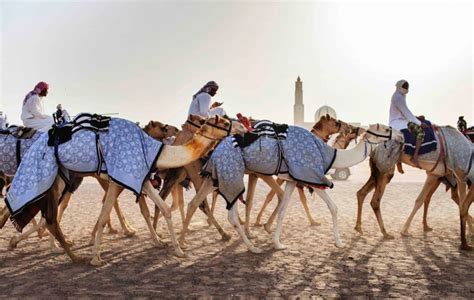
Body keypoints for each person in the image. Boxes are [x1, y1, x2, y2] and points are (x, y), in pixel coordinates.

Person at [389, 80, 428, 167]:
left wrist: (416, 117)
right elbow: (406, 112)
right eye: (404, 87)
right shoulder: (398, 97)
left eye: (407, 87)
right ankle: (415, 157)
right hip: (398, 123)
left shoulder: (400, 96)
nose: (406, 89)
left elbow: (405, 112)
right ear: (399, 86)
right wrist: (420, 123)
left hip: (401, 120)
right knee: (420, 133)